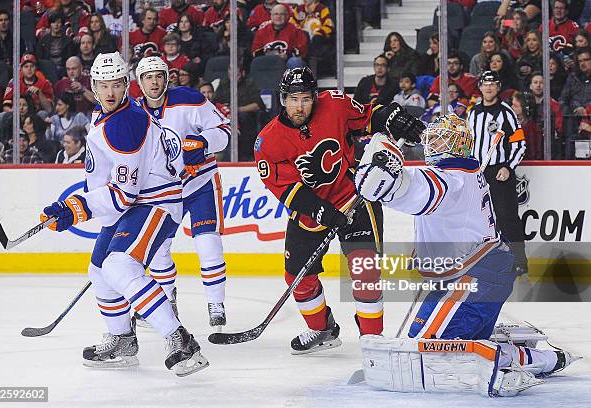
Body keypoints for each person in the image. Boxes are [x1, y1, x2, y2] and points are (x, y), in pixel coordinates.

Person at [355, 112, 577, 397]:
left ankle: (516, 363)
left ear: (456, 145)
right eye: (431, 137)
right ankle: (539, 358)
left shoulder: (448, 181)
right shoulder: (467, 173)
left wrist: (381, 152)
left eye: (438, 138)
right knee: (436, 343)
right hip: (484, 273)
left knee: (425, 350)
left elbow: (382, 187)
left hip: (473, 279)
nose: (430, 144)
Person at [39, 51, 208, 376]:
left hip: (155, 201)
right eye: (104, 85)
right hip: (136, 202)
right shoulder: (107, 117)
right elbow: (109, 180)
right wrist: (81, 208)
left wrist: (74, 208)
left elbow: (123, 193)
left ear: (126, 83)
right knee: (99, 269)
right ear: (94, 86)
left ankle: (181, 342)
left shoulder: (125, 123)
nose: (111, 91)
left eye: (117, 84)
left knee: (118, 265)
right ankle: (122, 339)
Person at [253, 67, 422, 354]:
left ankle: (373, 341)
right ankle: (322, 329)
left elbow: (368, 117)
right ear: (283, 100)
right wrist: (321, 211)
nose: (299, 106)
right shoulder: (268, 141)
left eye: (305, 98)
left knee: (365, 271)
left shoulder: (334, 105)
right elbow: (286, 189)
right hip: (310, 212)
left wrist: (390, 118)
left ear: (315, 97)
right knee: (298, 278)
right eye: (293, 99)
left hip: (354, 196)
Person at [134, 56, 231, 329]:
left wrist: (203, 141)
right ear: (139, 82)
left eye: (158, 75)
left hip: (200, 184)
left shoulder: (189, 99)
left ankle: (216, 304)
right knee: (158, 250)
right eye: (148, 77)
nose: (154, 81)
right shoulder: (133, 113)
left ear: (167, 77)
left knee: (207, 244)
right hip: (164, 192)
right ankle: (166, 300)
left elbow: (224, 131)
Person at [467, 71, 527, 275]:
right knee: (480, 220)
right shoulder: (473, 113)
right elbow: (468, 144)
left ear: (498, 87)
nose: (489, 87)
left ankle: (519, 261)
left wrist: (508, 167)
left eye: (493, 84)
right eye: (485, 84)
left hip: (500, 172)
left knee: (507, 217)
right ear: (480, 87)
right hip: (478, 174)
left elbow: (519, 144)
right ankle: (485, 260)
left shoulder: (506, 112)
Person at [215, 64, 265, 161]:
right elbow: (216, 102)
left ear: (242, 73)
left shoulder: (249, 83)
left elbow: (257, 105)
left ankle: (245, 156)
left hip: (245, 116)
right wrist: (226, 111)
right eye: (231, 75)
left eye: (236, 75)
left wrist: (236, 109)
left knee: (243, 117)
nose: (233, 78)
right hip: (226, 116)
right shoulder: (224, 83)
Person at [251, 4, 308, 68]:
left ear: (287, 16)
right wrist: (267, 53)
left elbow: (302, 52)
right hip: (267, 63)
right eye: (276, 14)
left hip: (288, 63)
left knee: (295, 61)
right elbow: (255, 52)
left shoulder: (296, 31)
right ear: (271, 16)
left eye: (282, 14)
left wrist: (287, 56)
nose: (278, 16)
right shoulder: (261, 32)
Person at [290, 0, 335, 75]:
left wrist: (317, 33)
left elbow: (329, 26)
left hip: (318, 39)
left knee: (316, 39)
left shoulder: (322, 8)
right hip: (302, 39)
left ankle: (314, 73)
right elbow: (292, 25)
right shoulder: (298, 9)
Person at [36, 10, 76, 75]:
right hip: (47, 70)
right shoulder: (43, 40)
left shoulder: (68, 41)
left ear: (62, 25)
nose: (56, 25)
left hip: (64, 70)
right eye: (53, 22)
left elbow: (71, 58)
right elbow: (40, 59)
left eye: (58, 22)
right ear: (50, 24)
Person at [511, 91, 542, 160]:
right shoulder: (509, 124)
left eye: (515, 106)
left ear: (525, 108)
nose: (511, 108)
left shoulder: (531, 128)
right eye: (512, 105)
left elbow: (534, 153)